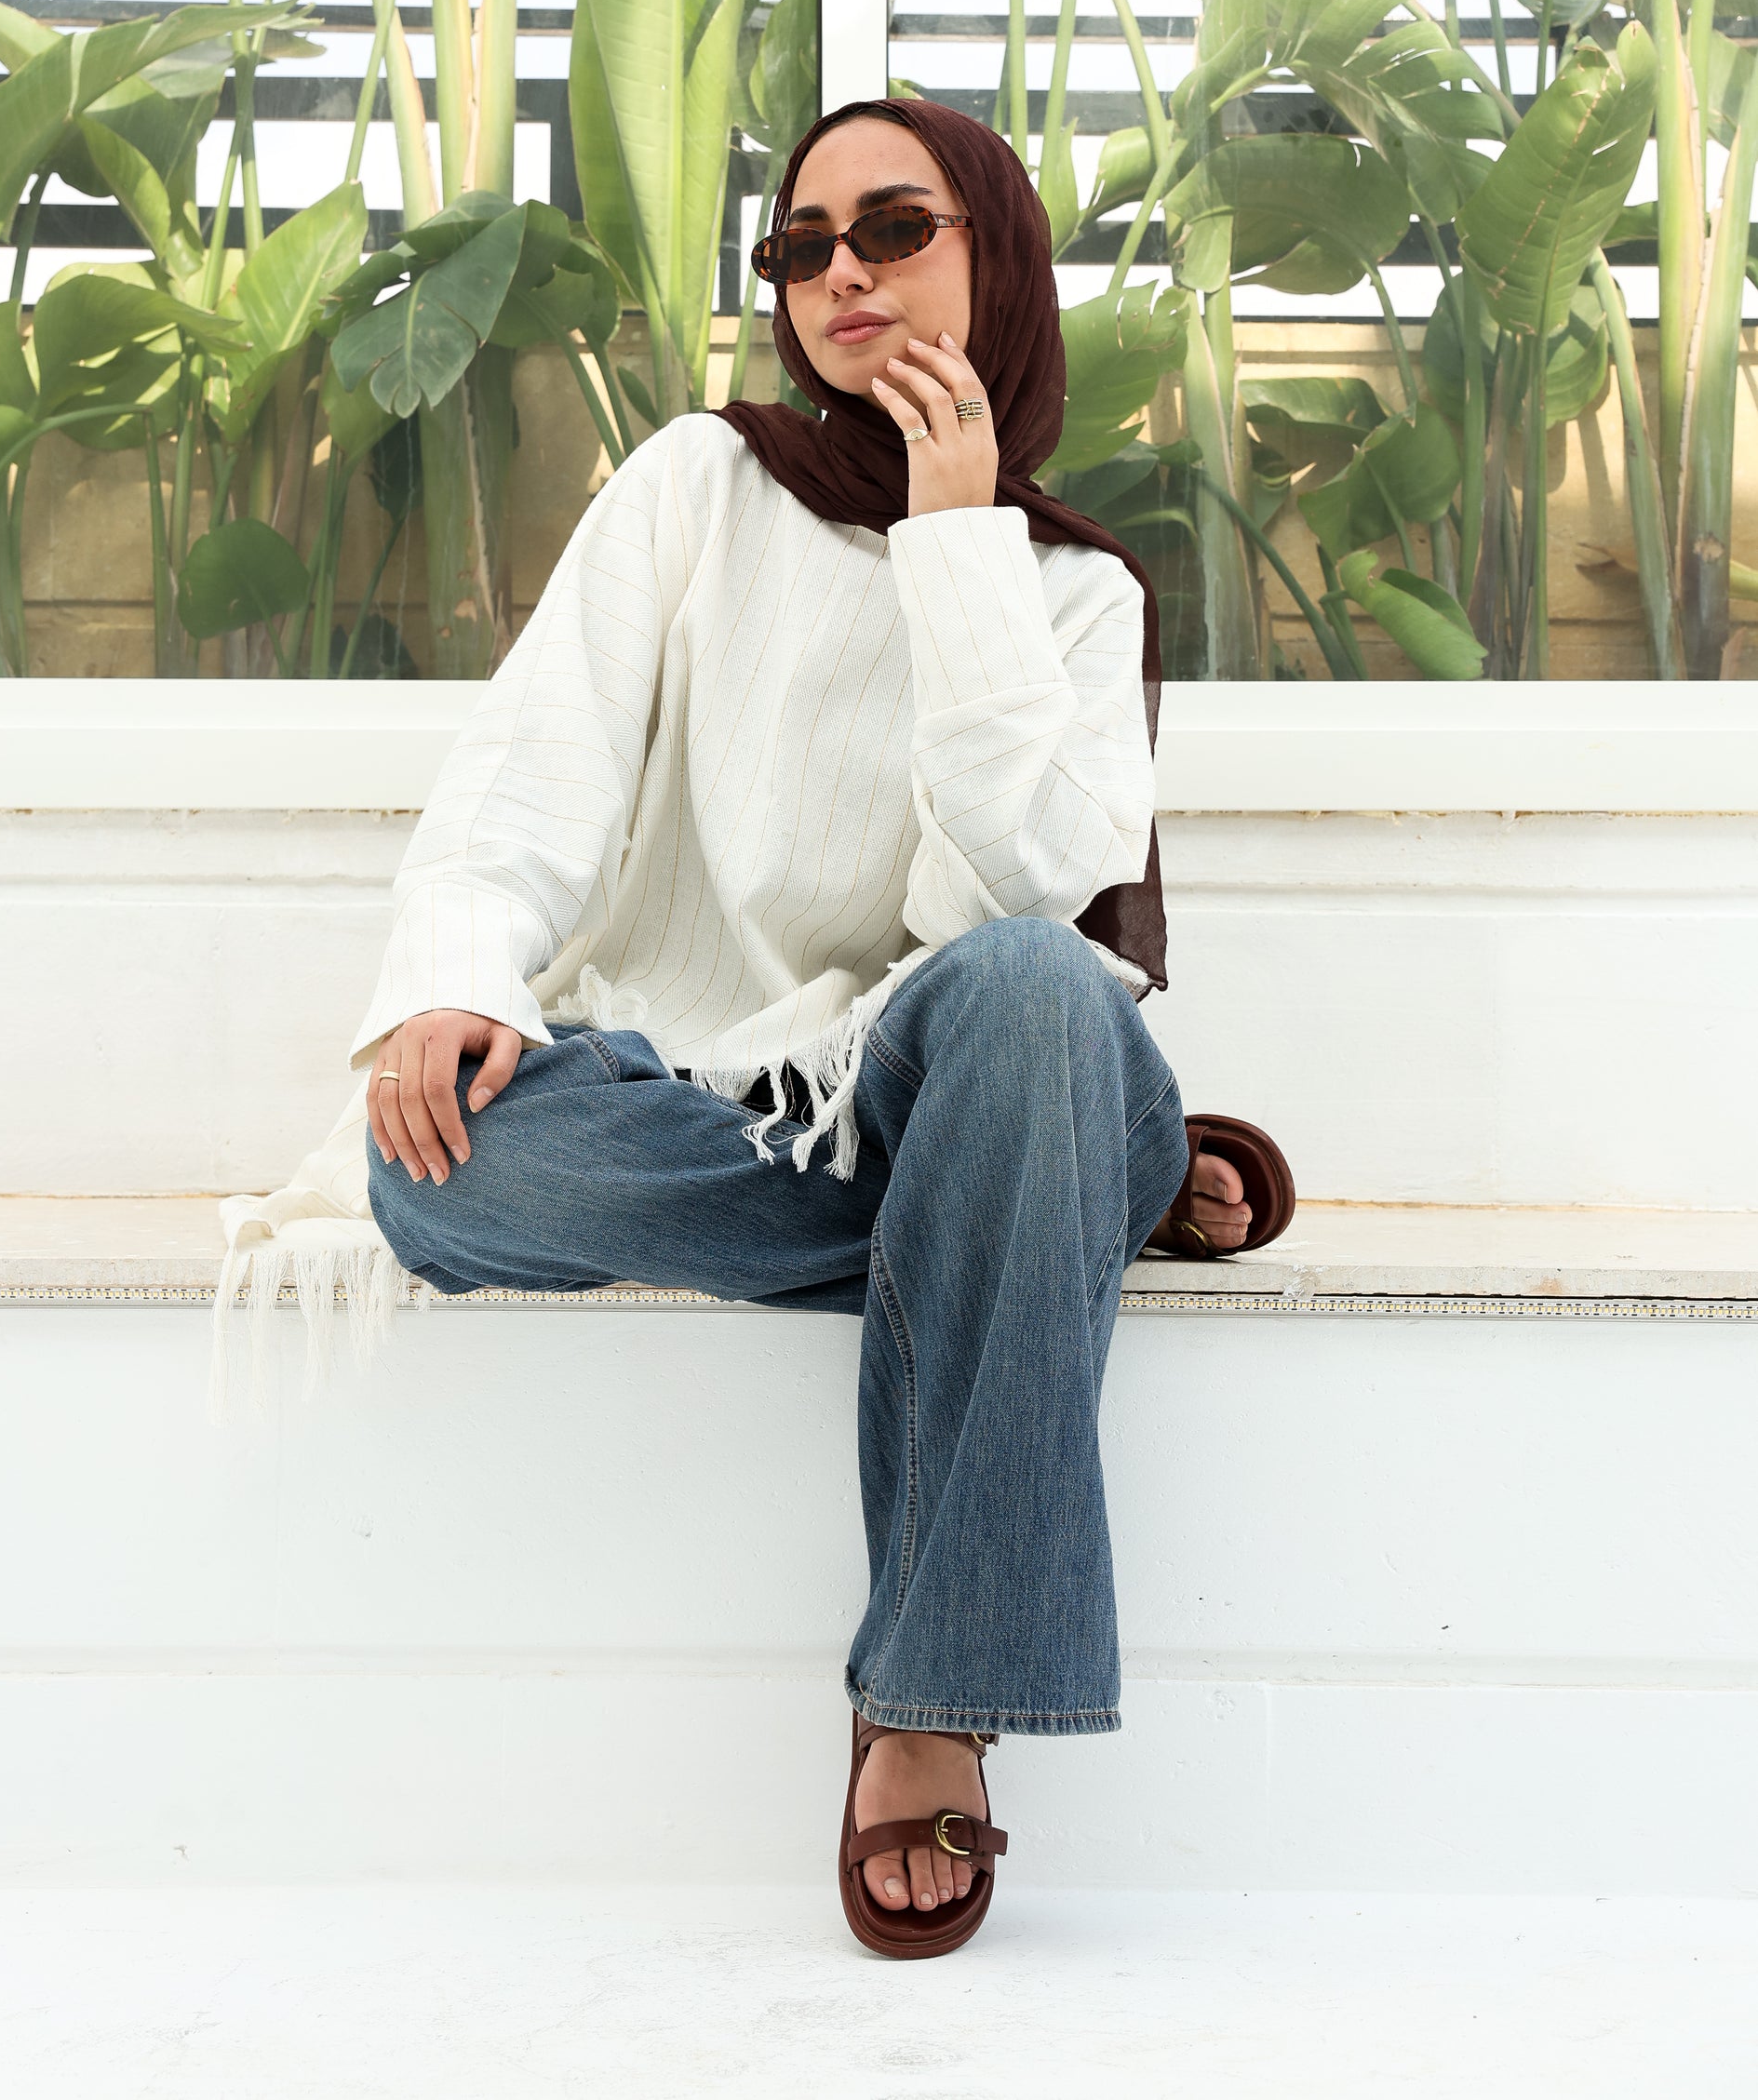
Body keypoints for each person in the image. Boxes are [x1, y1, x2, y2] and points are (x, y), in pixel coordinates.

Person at [357, 98, 1259, 1960]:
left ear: (995, 254)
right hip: (716, 1085)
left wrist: (958, 542)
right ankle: (1065, 1186)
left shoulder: (1077, 592)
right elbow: (535, 761)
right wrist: (455, 974)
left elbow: (1013, 893)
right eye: (799, 247)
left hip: (953, 1027)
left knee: (1027, 995)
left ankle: (932, 1696)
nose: (840, 272)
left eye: (894, 227)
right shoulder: (700, 480)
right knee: (439, 1169)